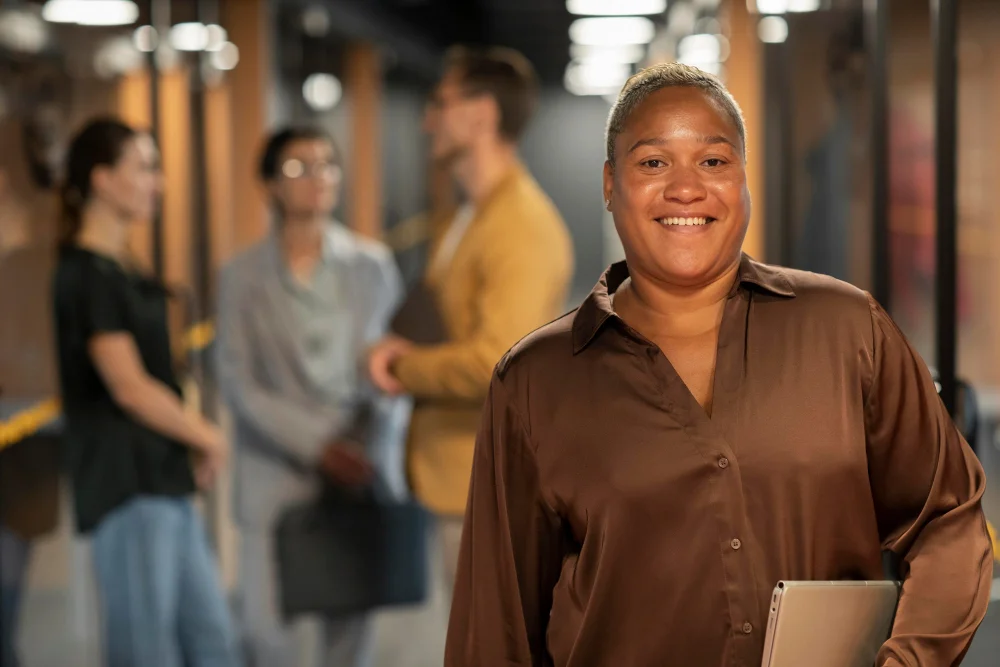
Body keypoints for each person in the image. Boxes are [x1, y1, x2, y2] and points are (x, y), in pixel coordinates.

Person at [444, 63, 993, 666]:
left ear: (743, 181)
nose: (686, 188)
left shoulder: (847, 330)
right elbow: (494, 630)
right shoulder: (534, 381)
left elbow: (948, 519)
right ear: (609, 183)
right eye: (653, 162)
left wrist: (909, 661)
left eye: (713, 161)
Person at [366, 45, 574, 597]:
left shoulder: (521, 225)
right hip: (456, 482)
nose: (427, 119)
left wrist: (401, 366)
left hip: (490, 490)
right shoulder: (468, 216)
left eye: (440, 102)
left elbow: (497, 361)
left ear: (482, 114)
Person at [216, 127, 411, 667]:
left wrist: (370, 444)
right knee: (264, 632)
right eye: (300, 167)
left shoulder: (371, 265)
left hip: (357, 465)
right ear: (271, 185)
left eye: (327, 165)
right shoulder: (241, 276)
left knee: (348, 635)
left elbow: (395, 368)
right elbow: (238, 380)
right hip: (275, 469)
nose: (318, 178)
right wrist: (315, 445)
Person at [52, 118, 238, 667]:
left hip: (161, 481)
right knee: (146, 651)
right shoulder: (86, 274)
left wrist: (192, 439)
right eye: (145, 167)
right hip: (126, 487)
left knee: (212, 643)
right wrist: (210, 437)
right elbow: (128, 387)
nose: (158, 182)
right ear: (104, 179)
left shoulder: (121, 269)